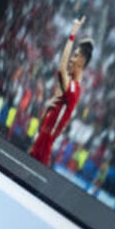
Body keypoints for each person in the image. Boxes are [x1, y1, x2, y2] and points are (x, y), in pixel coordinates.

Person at [30, 17, 93, 166]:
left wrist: (72, 34)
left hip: (42, 155)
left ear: (81, 61)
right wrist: (47, 110)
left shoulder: (74, 90)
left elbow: (61, 69)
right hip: (36, 148)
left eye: (75, 56)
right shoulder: (66, 89)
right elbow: (42, 127)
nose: (71, 59)